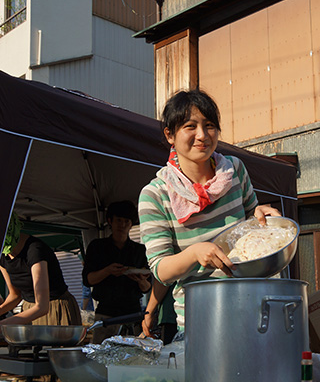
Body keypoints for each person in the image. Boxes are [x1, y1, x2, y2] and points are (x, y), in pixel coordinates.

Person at [139, 89, 280, 332]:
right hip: (200, 319)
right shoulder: (155, 194)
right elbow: (160, 269)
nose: (202, 135)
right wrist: (194, 253)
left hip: (253, 306)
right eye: (190, 126)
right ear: (170, 134)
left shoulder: (234, 170)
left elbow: (251, 220)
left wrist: (261, 215)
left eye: (210, 125)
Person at [82, 200, 151, 342]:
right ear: (110, 221)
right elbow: (88, 280)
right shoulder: (97, 247)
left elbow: (147, 288)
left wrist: (141, 280)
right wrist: (107, 271)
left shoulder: (140, 251)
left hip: (132, 314)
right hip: (106, 314)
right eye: (119, 220)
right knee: (101, 358)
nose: (123, 225)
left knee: (133, 359)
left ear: (131, 224)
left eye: (126, 221)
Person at [0, 212, 81, 327]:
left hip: (54, 309)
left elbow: (42, 307)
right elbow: (15, 296)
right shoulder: (3, 256)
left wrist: (2, 324)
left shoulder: (35, 251)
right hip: (28, 310)